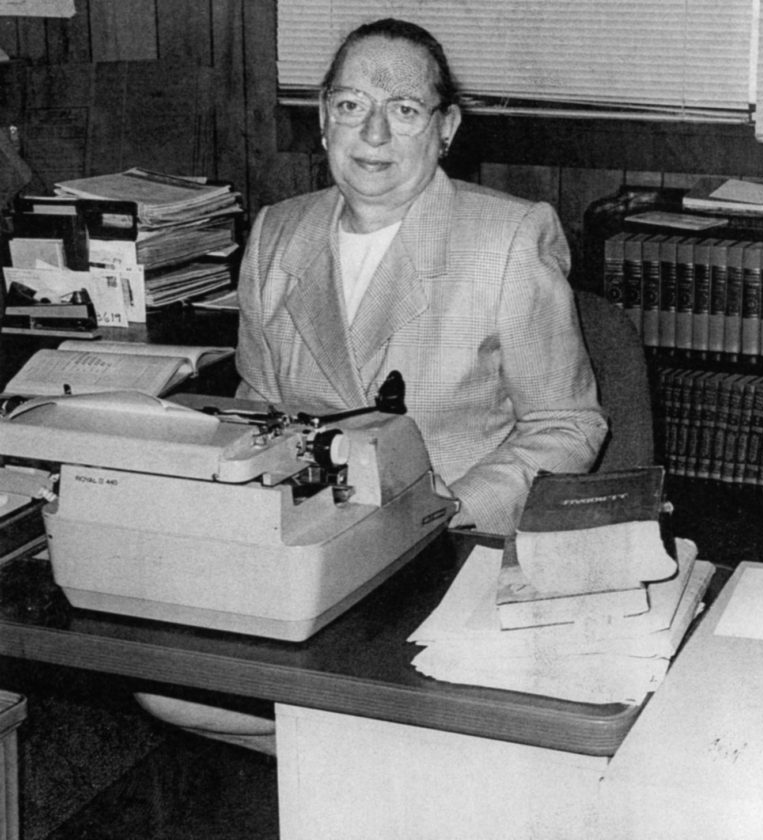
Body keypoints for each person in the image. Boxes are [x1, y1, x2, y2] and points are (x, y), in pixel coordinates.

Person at [137, 17, 608, 755]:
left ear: (445, 128)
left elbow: (568, 426)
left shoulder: (509, 238)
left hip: (451, 552)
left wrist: (447, 511)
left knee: (377, 713)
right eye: (352, 105)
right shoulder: (276, 235)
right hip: (311, 554)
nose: (375, 134)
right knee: (165, 684)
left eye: (406, 110)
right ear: (324, 117)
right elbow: (256, 411)